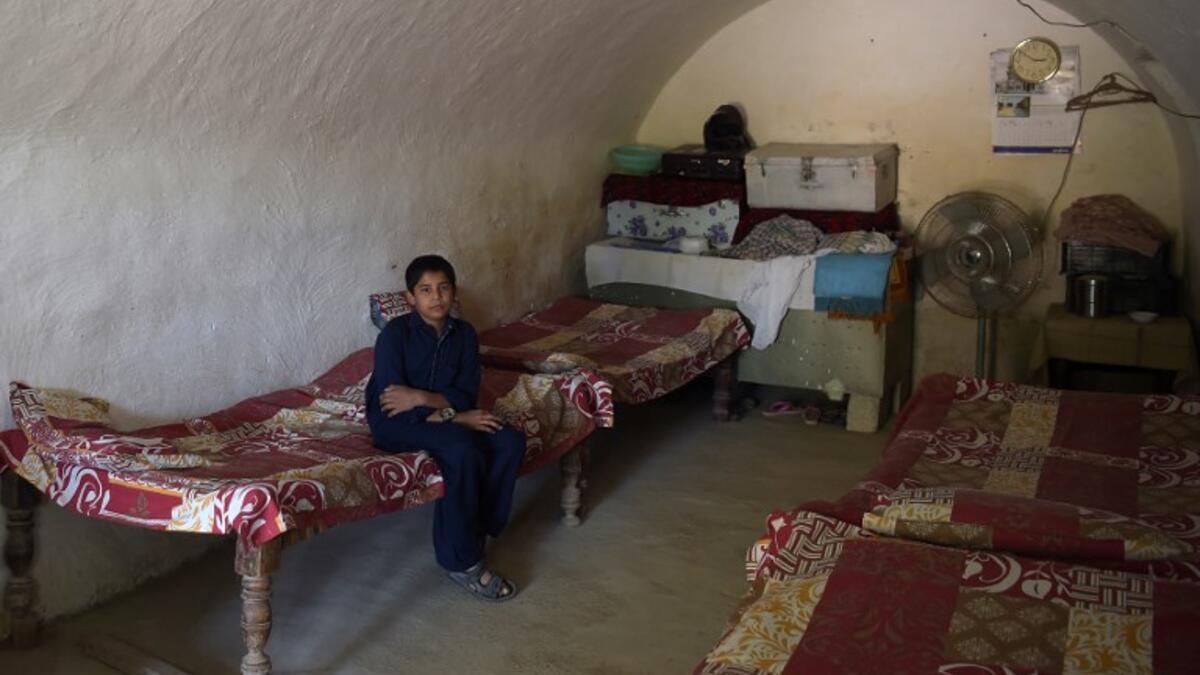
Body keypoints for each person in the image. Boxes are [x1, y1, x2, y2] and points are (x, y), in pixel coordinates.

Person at [366, 254, 524, 601]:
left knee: (509, 440)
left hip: (442, 416)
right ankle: (461, 561)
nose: (435, 297)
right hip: (393, 424)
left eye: (443, 288)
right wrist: (456, 415)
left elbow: (465, 394)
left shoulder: (464, 335)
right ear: (411, 298)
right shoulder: (395, 336)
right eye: (425, 290)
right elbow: (394, 403)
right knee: (463, 448)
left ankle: (476, 527)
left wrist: (424, 398)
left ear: (454, 293)